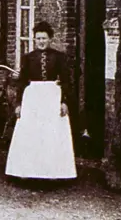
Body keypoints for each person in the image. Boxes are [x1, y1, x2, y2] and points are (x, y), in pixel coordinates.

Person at [5, 21, 77, 181]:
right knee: (31, 132)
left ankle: (53, 173)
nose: (41, 41)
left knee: (51, 133)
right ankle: (26, 171)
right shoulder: (28, 58)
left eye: (44, 38)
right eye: (38, 38)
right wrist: (19, 104)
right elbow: (22, 82)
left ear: (50, 39)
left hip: (52, 96)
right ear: (34, 40)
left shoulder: (60, 57)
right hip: (33, 97)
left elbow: (66, 81)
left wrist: (64, 101)